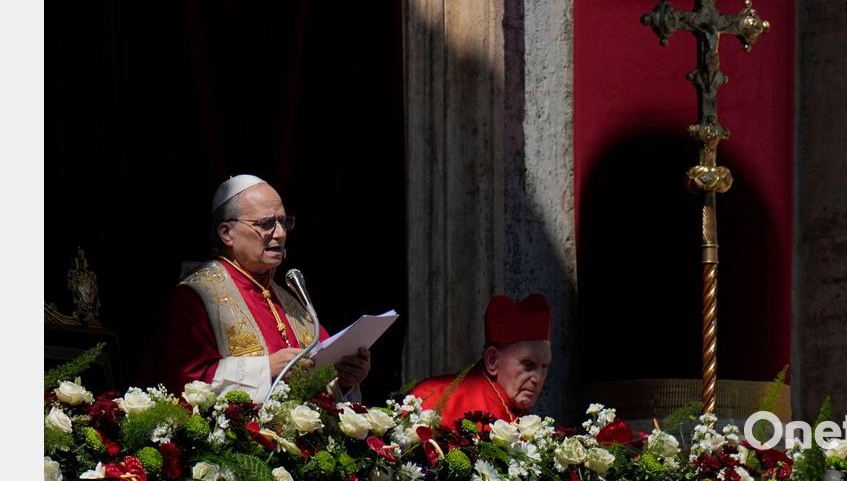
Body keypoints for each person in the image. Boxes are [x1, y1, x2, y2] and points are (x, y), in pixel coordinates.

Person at [150, 174, 371, 403]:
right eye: (266, 224)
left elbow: (320, 378)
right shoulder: (196, 297)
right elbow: (185, 383)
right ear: (226, 233)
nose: (281, 233)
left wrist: (344, 380)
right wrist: (266, 368)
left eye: (284, 222)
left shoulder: (289, 299)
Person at [410, 293, 552, 428]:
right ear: (492, 360)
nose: (538, 379)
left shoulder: (525, 420)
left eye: (544, 366)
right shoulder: (433, 396)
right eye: (528, 365)